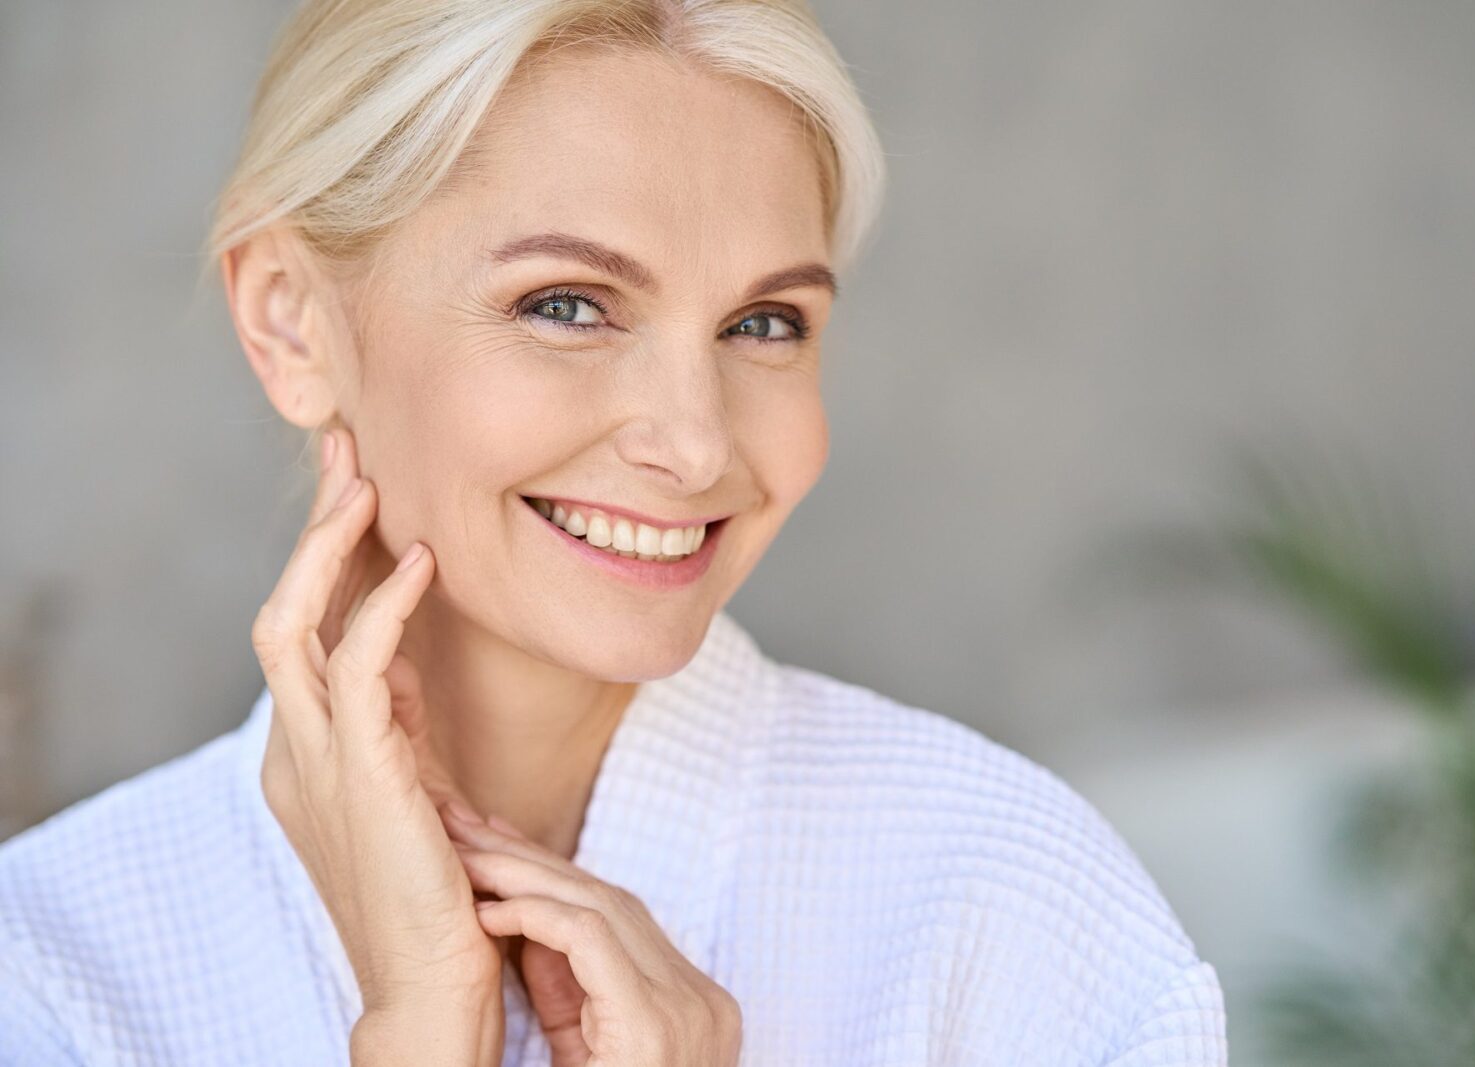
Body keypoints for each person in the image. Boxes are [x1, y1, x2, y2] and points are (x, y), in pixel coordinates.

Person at [0, 1, 1228, 1064]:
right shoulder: (53, 970)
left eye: (763, 324)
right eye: (569, 304)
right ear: (291, 322)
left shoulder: (1008, 905)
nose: (696, 445)